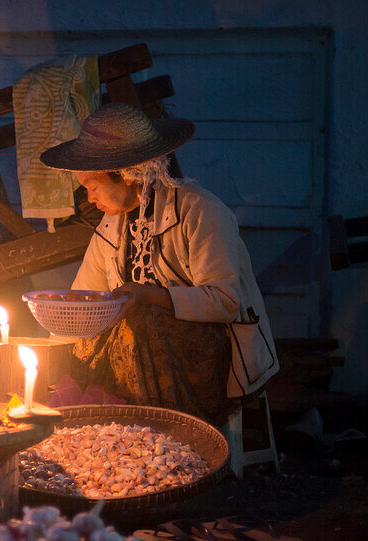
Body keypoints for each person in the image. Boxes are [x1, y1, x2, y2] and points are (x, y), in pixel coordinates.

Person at [39, 103, 279, 424]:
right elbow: (84, 299)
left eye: (93, 187)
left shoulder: (200, 210)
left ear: (127, 175)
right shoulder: (110, 228)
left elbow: (225, 302)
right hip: (140, 356)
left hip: (212, 358)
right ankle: (100, 433)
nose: (89, 199)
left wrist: (148, 296)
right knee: (92, 334)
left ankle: (159, 435)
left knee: (142, 322)